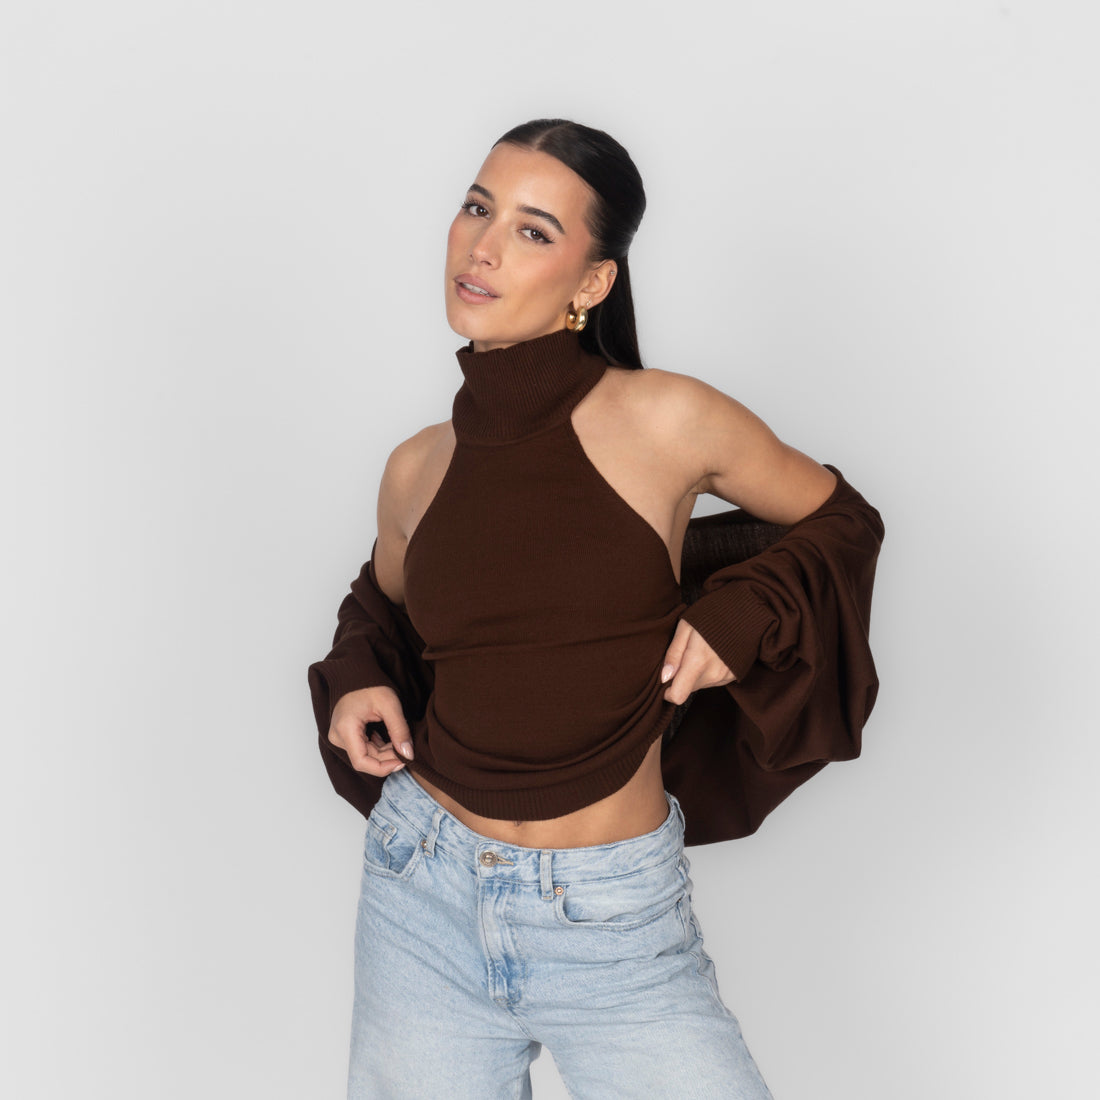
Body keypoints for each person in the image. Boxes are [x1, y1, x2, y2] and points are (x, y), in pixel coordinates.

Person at [308, 118, 884, 1099]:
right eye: (477, 208)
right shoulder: (415, 466)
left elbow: (841, 519)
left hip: (611, 915)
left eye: (533, 230)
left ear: (592, 282)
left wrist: (745, 610)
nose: (483, 246)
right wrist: (360, 674)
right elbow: (383, 604)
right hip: (421, 888)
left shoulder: (669, 418)